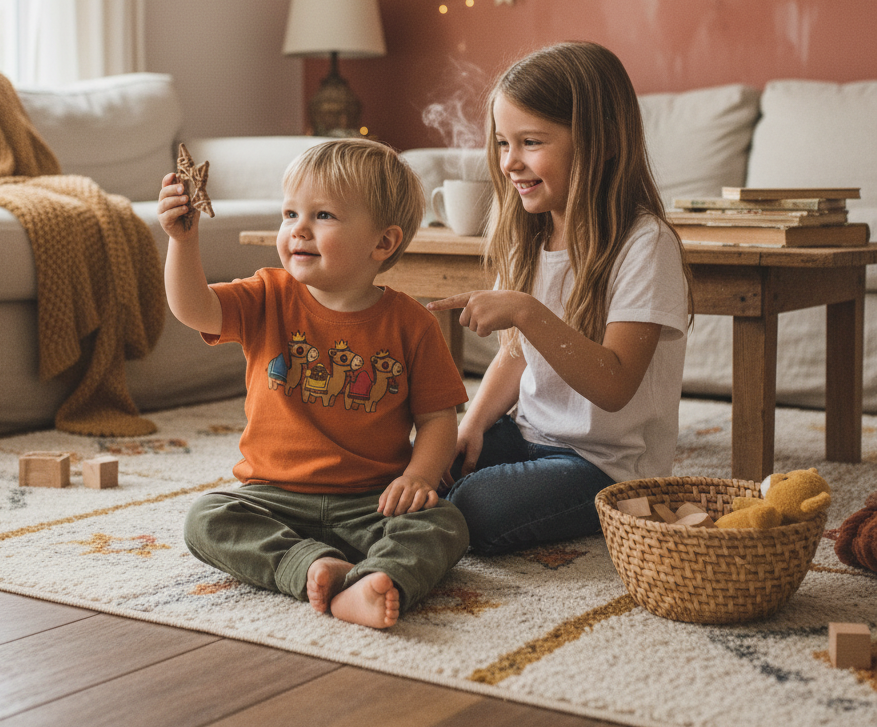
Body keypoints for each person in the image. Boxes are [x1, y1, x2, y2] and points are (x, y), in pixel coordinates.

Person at [158, 138, 470, 629]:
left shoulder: (412, 324)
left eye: (322, 216)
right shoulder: (268, 294)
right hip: (275, 496)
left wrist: (419, 478)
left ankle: (378, 579)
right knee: (207, 519)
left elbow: (437, 419)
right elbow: (193, 308)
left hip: (372, 500)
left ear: (383, 243)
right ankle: (312, 566)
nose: (297, 229)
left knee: (444, 523)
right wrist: (182, 242)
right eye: (289, 214)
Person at [428, 41, 694, 554]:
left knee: (477, 507)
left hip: (607, 467)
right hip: (530, 436)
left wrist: (527, 311)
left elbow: (614, 385)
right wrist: (473, 424)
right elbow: (515, 354)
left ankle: (430, 519)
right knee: (419, 460)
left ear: (603, 141)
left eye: (530, 142)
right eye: (503, 143)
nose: (510, 163)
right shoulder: (529, 236)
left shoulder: (645, 244)